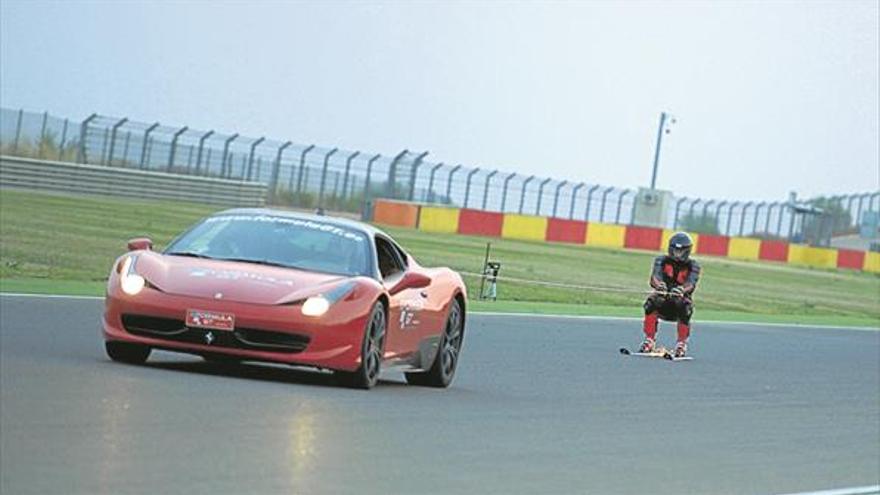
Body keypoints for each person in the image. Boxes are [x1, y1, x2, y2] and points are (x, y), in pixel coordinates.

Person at [640, 232, 701, 357]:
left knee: (685, 306)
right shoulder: (661, 260)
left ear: (687, 251)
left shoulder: (693, 266)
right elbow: (654, 277)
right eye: (675, 250)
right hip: (663, 302)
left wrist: (681, 291)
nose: (677, 254)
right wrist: (659, 286)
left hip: (678, 304)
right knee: (652, 301)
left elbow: (691, 283)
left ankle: (681, 344)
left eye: (680, 251)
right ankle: (649, 340)